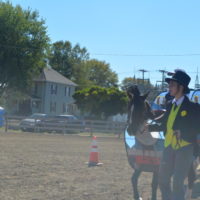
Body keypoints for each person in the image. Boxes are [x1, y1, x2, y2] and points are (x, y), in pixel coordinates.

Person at [146, 70, 200, 200]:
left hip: (185, 148)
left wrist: (184, 132)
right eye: (169, 85)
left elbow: (197, 128)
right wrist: (149, 127)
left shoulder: (194, 108)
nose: (168, 87)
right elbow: (165, 125)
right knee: (163, 180)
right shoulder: (170, 105)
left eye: (172, 85)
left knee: (177, 183)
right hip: (169, 147)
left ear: (181, 87)